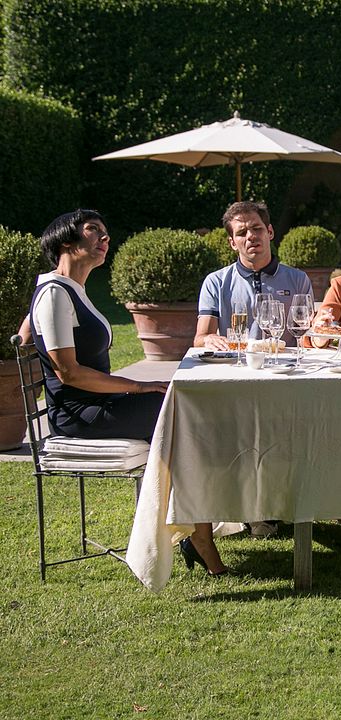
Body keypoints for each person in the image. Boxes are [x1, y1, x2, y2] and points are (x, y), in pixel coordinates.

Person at [24, 210, 229, 576]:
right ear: (66, 242)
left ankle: (196, 528)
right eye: (93, 231)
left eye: (106, 231)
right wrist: (137, 386)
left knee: (184, 411)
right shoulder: (56, 293)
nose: (104, 238)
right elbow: (68, 373)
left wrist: (28, 330)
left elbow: (32, 329)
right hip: (77, 414)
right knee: (180, 415)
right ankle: (198, 535)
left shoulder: (68, 290)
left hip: (97, 403)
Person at [195, 200, 313, 351]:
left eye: (257, 229)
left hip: (285, 366)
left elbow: (307, 335)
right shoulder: (216, 282)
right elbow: (200, 338)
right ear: (232, 243)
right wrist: (208, 339)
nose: (251, 236)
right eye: (242, 233)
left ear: (270, 232)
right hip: (237, 365)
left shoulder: (298, 279)